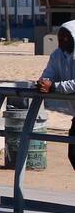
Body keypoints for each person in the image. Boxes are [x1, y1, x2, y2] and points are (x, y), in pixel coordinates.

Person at [37, 20, 75, 170]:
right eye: (59, 36)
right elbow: (47, 75)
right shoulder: (57, 55)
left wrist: (53, 86)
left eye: (65, 36)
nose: (60, 40)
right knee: (73, 154)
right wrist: (43, 84)